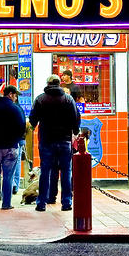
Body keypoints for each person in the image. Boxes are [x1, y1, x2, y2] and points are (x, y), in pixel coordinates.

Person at [29, 73, 80, 212]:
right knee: (66, 172)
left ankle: (41, 203)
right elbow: (76, 118)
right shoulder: (68, 99)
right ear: (59, 84)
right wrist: (75, 131)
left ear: (48, 84)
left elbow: (33, 120)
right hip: (64, 141)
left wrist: (32, 127)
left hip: (46, 141)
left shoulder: (40, 99)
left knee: (45, 171)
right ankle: (66, 203)